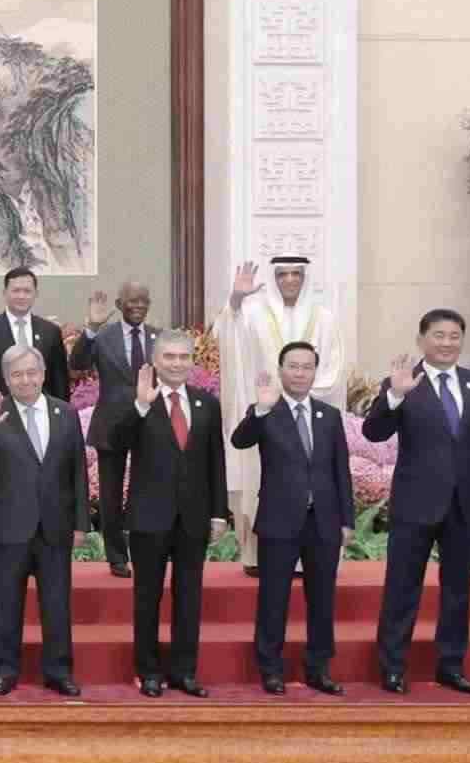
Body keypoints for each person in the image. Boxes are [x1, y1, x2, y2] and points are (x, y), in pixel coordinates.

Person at [362, 308, 470, 695]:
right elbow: (374, 432)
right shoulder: (402, 383)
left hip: (465, 504)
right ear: (421, 340)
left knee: (458, 589)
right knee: (402, 587)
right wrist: (395, 396)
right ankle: (393, 667)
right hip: (415, 502)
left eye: (454, 336)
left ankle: (451, 666)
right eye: (439, 335)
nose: (447, 343)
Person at [0, 346, 86, 696]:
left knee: (57, 606)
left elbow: (77, 472)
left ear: (42, 374)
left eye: (31, 372)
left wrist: (81, 524)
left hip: (54, 528)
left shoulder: (65, 413)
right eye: (17, 374)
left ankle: (59, 671)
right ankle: (4, 671)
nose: (25, 380)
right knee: (5, 606)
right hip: (7, 528)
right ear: (6, 379)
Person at [102, 331, 227, 697]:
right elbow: (114, 443)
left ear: (192, 361)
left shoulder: (206, 404)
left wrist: (219, 513)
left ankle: (184, 672)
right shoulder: (137, 399)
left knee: (189, 598)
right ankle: (149, 672)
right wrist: (141, 407)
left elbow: (216, 460)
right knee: (147, 598)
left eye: (183, 357)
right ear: (155, 361)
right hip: (149, 516)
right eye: (169, 357)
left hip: (193, 517)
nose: (176, 363)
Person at [229, 339, 352, 695]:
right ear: (281, 370)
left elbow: (341, 471)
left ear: (315, 372)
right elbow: (240, 440)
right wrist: (260, 410)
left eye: (307, 367)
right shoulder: (267, 410)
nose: (300, 373)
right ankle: (270, 669)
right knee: (273, 598)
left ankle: (319, 668)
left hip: (323, 521)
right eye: (293, 366)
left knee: (323, 599)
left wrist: (347, 520)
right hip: (279, 520)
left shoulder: (329, 416)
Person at [216, 256, 344, 567]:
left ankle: (312, 559)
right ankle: (260, 558)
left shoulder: (324, 318)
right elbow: (229, 336)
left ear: (304, 278)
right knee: (265, 482)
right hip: (266, 416)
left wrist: (300, 394)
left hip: (308, 414)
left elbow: (333, 368)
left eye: (295, 274)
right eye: (282, 274)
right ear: (274, 280)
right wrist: (236, 300)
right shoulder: (254, 314)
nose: (289, 280)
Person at [72, 281, 157, 577]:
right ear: (120, 304)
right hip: (111, 425)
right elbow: (77, 363)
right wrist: (92, 328)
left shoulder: (160, 337)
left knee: (148, 491)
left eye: (144, 300)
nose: (139, 305)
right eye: (132, 300)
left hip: (150, 424)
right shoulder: (103, 336)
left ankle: (146, 550)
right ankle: (117, 557)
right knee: (110, 495)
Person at [0, 266, 72, 402]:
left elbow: (60, 382)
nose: (21, 296)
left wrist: (61, 413)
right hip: (1, 410)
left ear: (36, 294)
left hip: (42, 411)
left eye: (27, 291)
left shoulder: (50, 331)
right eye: (16, 291)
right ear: (5, 293)